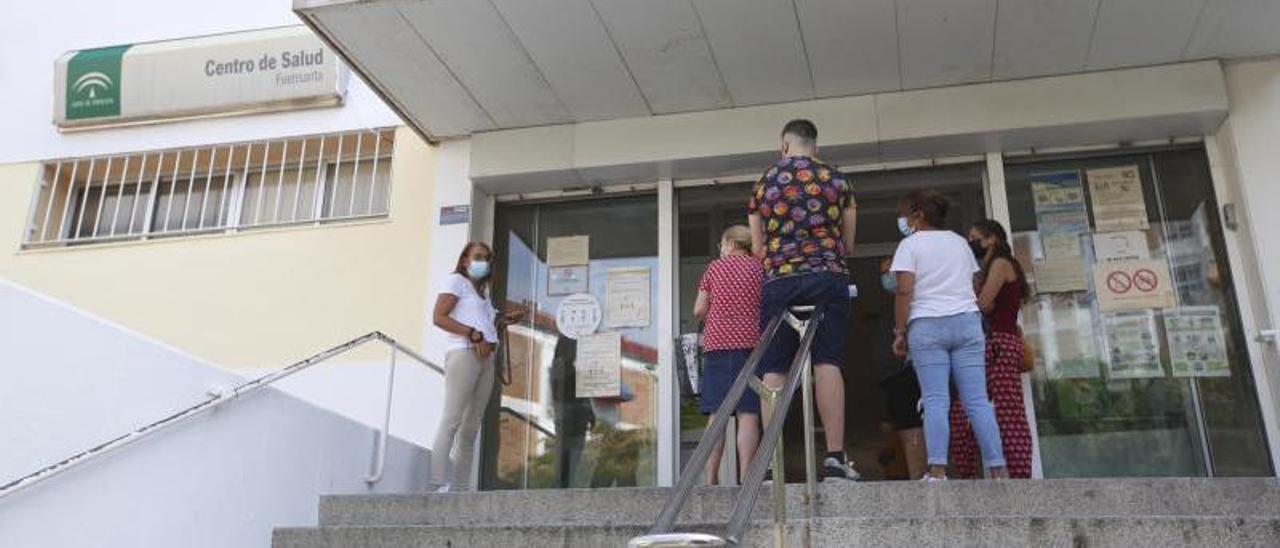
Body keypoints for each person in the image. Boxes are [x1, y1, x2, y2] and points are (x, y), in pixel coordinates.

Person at [748, 119, 860, 481]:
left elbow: (759, 247)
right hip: (826, 275)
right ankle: (834, 457)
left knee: (775, 368)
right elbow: (849, 244)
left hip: (780, 279)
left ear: (784, 145)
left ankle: (770, 461)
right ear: (814, 144)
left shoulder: (764, 183)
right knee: (827, 362)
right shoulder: (837, 180)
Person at [890, 190, 1007, 481]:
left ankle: (938, 471)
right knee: (978, 401)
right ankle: (998, 469)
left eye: (907, 214)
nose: (904, 220)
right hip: (967, 324)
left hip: (927, 326)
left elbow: (905, 290)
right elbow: (972, 282)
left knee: (935, 400)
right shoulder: (959, 243)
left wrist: (900, 331)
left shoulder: (909, 245)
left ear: (918, 216)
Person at [430, 241, 522, 492]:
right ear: (464, 260)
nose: (484, 262)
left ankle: (460, 490)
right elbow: (438, 317)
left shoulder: (483, 292)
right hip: (464, 354)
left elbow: (486, 322)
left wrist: (503, 320)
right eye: (478, 256)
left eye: (488, 258)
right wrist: (474, 335)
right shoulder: (456, 282)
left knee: (472, 427)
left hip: (487, 359)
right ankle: (437, 483)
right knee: (452, 419)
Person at [948, 219, 1035, 479]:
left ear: (991, 239)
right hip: (992, 345)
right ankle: (973, 474)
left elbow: (984, 303)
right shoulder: (988, 267)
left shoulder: (1000, 264)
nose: (971, 241)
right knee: (965, 412)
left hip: (997, 344)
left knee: (1007, 415)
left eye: (976, 237)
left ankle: (1019, 478)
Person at [692, 225, 763, 485]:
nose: (720, 249)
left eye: (722, 244)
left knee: (717, 413)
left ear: (731, 243)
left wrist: (718, 315)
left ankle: (710, 478)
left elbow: (699, 309)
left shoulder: (714, 268)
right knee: (748, 413)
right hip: (751, 346)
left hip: (718, 345)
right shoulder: (759, 268)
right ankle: (746, 478)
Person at [872, 255, 927, 480]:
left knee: (912, 428)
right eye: (884, 273)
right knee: (901, 429)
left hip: (910, 374)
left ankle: (921, 476)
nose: (888, 278)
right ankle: (917, 477)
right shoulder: (892, 306)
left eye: (891, 272)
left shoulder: (917, 300)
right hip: (892, 379)